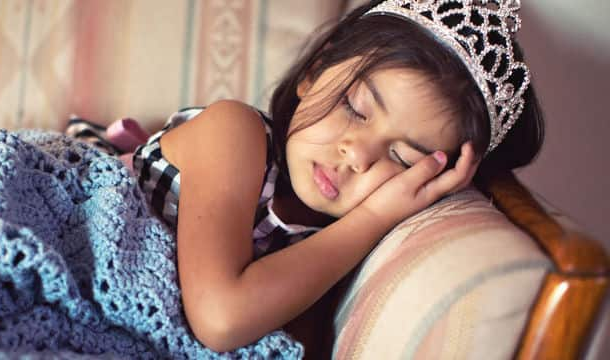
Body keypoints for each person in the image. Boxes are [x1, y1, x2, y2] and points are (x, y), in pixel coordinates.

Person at [113, 0, 543, 353]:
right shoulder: (235, 133)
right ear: (315, 70)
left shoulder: (328, 244)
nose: (356, 154)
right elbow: (221, 320)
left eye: (403, 158)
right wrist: (373, 216)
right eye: (354, 108)